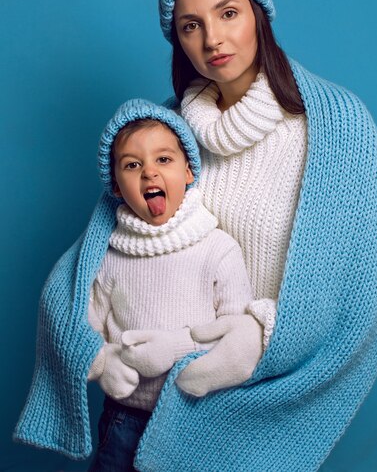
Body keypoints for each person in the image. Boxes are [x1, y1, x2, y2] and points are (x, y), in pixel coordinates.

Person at [14, 0, 377, 472]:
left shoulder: (332, 125)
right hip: (139, 411)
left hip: (253, 409)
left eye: (229, 13)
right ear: (177, 40)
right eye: (190, 25)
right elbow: (92, 261)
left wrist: (259, 331)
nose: (213, 40)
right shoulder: (163, 134)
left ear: (259, 16)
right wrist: (94, 353)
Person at [86, 98, 255, 471]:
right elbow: (82, 327)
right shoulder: (108, 256)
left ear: (189, 171)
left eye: (164, 160)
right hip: (125, 419)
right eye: (133, 165)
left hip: (198, 418)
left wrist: (177, 346)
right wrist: (102, 362)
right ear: (116, 185)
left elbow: (235, 334)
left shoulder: (218, 249)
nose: (150, 174)